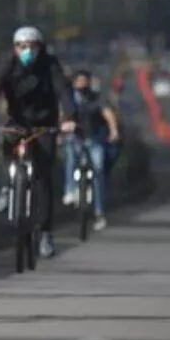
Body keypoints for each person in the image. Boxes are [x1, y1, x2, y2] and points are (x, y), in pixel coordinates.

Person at [0, 26, 77, 259]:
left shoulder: (50, 65)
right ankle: (8, 185)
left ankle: (45, 232)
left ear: (40, 47)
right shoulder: (8, 64)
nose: (27, 51)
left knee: (43, 178)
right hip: (17, 121)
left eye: (32, 47)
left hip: (44, 124)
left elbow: (63, 92)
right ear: (15, 48)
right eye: (22, 46)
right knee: (8, 148)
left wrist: (70, 118)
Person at [62, 70, 121, 231]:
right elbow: (61, 115)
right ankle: (69, 190)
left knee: (98, 171)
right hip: (75, 138)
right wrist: (61, 129)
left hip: (94, 138)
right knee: (70, 155)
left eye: (84, 80)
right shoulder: (69, 98)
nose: (81, 84)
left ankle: (99, 212)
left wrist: (113, 130)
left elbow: (107, 113)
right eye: (78, 80)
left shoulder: (96, 97)